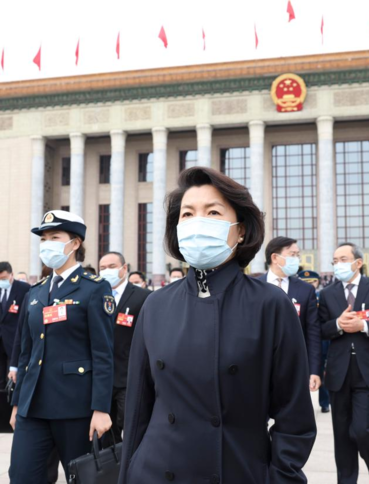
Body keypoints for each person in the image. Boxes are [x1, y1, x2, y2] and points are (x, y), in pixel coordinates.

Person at [119, 167, 316, 483]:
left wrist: (280, 477)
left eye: (212, 212)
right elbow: (138, 408)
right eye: (187, 214)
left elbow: (294, 417)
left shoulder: (270, 304)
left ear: (240, 231)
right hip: (156, 469)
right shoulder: (156, 305)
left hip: (236, 468)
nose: (198, 222)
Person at [10, 210, 114, 483]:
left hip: (75, 407)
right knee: (22, 475)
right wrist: (17, 403)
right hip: (32, 408)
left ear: (75, 243)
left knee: (82, 477)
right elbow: (26, 353)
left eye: (55, 237)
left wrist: (101, 408)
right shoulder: (37, 291)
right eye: (43, 239)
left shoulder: (94, 289)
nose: (47, 245)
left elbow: (103, 353)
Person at [319, 242, 369, 484]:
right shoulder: (327, 294)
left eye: (343, 259)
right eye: (335, 261)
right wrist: (337, 324)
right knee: (342, 435)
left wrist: (364, 326)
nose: (338, 265)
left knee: (363, 431)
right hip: (339, 372)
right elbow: (322, 329)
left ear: (358, 262)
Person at [98, 252, 151, 444]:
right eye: (102, 268)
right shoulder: (96, 296)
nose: (106, 271)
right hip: (101, 380)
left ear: (124, 268)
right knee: (104, 437)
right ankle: (109, 473)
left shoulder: (143, 297)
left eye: (112, 267)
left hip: (129, 377)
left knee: (132, 431)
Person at [258, 237, 321, 393]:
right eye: (292, 254)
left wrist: (314, 370)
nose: (296, 259)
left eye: (297, 255)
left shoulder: (305, 290)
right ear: (275, 257)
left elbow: (312, 332)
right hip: (260, 365)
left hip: (294, 366)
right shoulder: (254, 288)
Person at [299, 270, 330, 412]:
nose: (310, 285)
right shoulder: (299, 296)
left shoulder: (324, 297)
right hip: (306, 341)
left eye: (313, 282)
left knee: (322, 371)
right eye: (306, 283)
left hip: (323, 341)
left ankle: (324, 402)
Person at [0, 261, 30, 387]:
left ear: (11, 275)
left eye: (4, 278)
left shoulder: (24, 289)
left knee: (12, 374)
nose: (2, 281)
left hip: (14, 337)